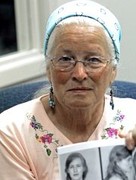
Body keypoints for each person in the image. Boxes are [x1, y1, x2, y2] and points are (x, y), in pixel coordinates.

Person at [0, 0, 136, 179]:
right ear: (48, 69)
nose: (79, 74)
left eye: (93, 60)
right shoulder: (11, 133)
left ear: (112, 71)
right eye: (65, 59)